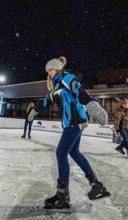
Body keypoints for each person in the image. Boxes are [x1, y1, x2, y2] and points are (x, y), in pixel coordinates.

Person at [43, 56, 110, 211]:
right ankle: (96, 185)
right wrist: (33, 110)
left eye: (50, 70)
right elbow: (46, 101)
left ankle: (63, 197)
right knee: (74, 152)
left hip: (74, 122)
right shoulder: (55, 87)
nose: (49, 73)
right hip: (73, 122)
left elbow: (80, 92)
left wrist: (92, 105)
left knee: (61, 153)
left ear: (56, 69)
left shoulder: (67, 78)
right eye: (48, 71)